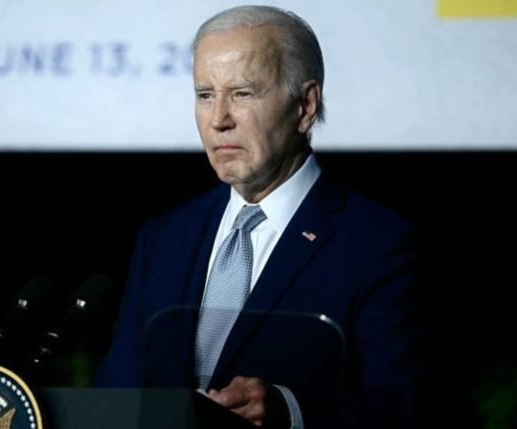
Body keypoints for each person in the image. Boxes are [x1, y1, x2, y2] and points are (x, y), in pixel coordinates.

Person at [93, 5, 432, 429]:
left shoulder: (380, 246)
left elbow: (410, 409)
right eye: (205, 95)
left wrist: (291, 410)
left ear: (305, 106)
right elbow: (119, 390)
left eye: (242, 93)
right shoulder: (166, 236)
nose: (219, 120)